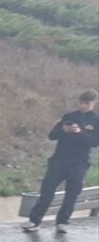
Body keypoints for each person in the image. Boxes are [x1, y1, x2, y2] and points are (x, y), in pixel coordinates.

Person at [23, 88, 99, 233]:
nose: (83, 106)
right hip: (59, 159)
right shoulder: (69, 116)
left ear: (94, 103)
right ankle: (35, 221)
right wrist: (63, 130)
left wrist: (80, 133)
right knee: (47, 191)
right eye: (81, 102)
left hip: (80, 162)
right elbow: (51, 135)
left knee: (72, 193)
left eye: (87, 103)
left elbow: (95, 142)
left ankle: (62, 222)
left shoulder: (96, 120)